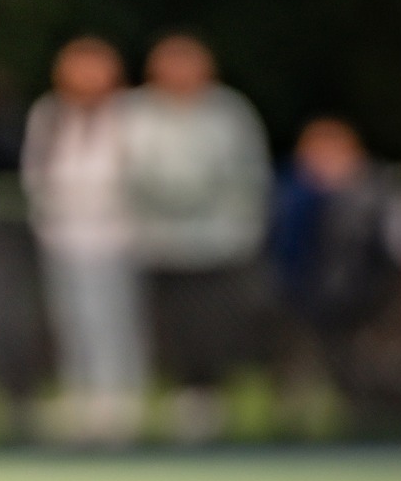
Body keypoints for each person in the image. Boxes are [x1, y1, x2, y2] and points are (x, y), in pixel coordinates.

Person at [121, 34, 272, 438]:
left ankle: (212, 396)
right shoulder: (137, 112)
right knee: (167, 323)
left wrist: (244, 230)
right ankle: (178, 394)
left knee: (215, 321)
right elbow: (130, 172)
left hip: (218, 242)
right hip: (157, 243)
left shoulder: (229, 112)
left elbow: (249, 174)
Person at [22, 37, 148, 442]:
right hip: (62, 233)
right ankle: (81, 393)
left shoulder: (131, 113)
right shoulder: (50, 113)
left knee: (116, 316)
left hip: (117, 233)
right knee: (70, 317)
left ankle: (122, 397)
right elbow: (36, 169)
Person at [270, 117, 401, 430]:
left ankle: (369, 419)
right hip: (301, 297)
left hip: (368, 299)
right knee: (300, 366)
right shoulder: (291, 195)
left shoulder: (376, 191)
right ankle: (294, 424)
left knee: (367, 366)